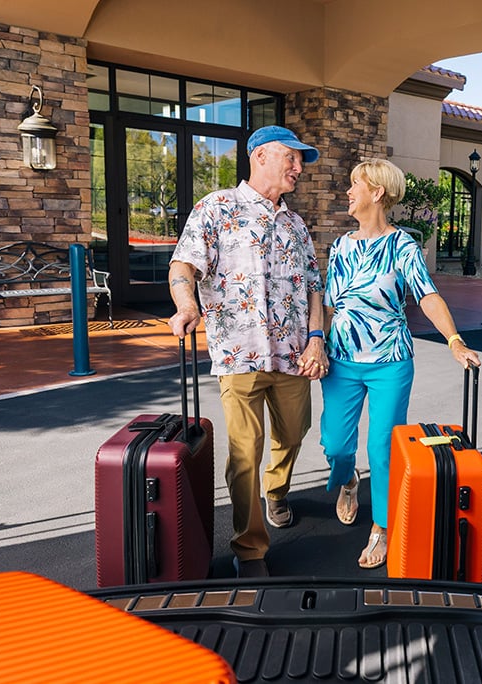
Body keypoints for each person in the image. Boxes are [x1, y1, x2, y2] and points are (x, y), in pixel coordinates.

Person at [168, 125, 327, 578]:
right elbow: (183, 264)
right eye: (292, 158)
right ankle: (250, 549)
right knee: (244, 451)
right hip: (239, 355)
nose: (299, 168)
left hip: (295, 355)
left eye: (301, 160)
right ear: (259, 156)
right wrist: (185, 304)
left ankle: (276, 490)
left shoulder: (296, 224)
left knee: (294, 432)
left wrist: (316, 338)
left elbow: (315, 288)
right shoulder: (217, 208)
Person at [320, 158, 481, 570]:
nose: (348, 192)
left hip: (389, 359)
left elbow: (427, 295)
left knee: (382, 448)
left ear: (377, 192)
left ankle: (382, 527)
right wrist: (315, 343)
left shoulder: (402, 246)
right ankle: (349, 481)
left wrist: (454, 340)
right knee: (336, 445)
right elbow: (327, 305)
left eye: (355, 184)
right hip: (342, 359)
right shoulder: (340, 246)